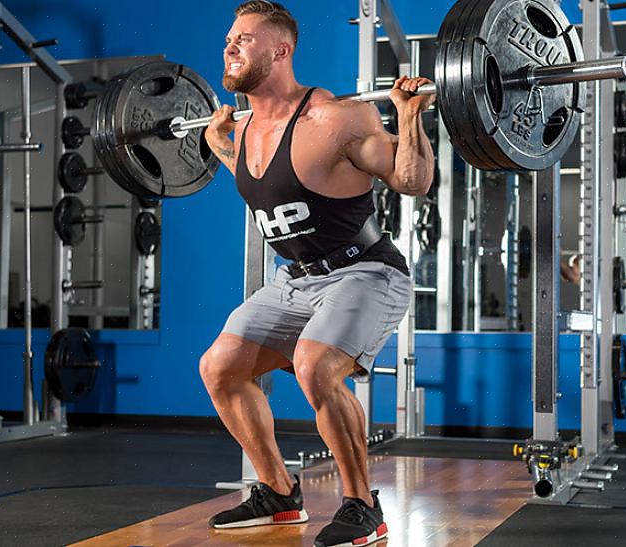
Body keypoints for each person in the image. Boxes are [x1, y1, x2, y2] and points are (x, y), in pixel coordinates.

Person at [199, 2, 435, 546]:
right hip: (296, 281)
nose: (230, 46)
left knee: (315, 366)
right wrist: (221, 147)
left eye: (244, 39)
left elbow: (413, 181)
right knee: (220, 368)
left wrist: (409, 116)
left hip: (366, 273)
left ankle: (363, 506)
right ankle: (280, 495)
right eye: (230, 38)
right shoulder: (248, 127)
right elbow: (271, 189)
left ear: (281, 50)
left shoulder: (335, 118)